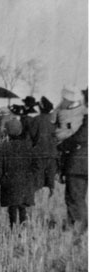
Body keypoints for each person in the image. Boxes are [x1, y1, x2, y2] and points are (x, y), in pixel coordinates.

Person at [0, 119, 37, 229]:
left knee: (12, 206)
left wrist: (1, 178)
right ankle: (23, 228)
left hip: (9, 181)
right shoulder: (29, 147)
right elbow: (35, 165)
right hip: (25, 181)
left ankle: (12, 228)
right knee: (23, 206)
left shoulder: (2, 147)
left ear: (7, 132)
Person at [58, 87, 88, 233]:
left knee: (74, 197)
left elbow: (80, 137)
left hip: (79, 163)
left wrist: (63, 145)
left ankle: (78, 228)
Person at [29, 96, 58, 195]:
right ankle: (50, 200)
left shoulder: (36, 120)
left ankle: (38, 199)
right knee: (50, 178)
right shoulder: (54, 120)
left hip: (39, 153)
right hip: (53, 153)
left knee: (38, 177)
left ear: (41, 108)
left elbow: (32, 135)